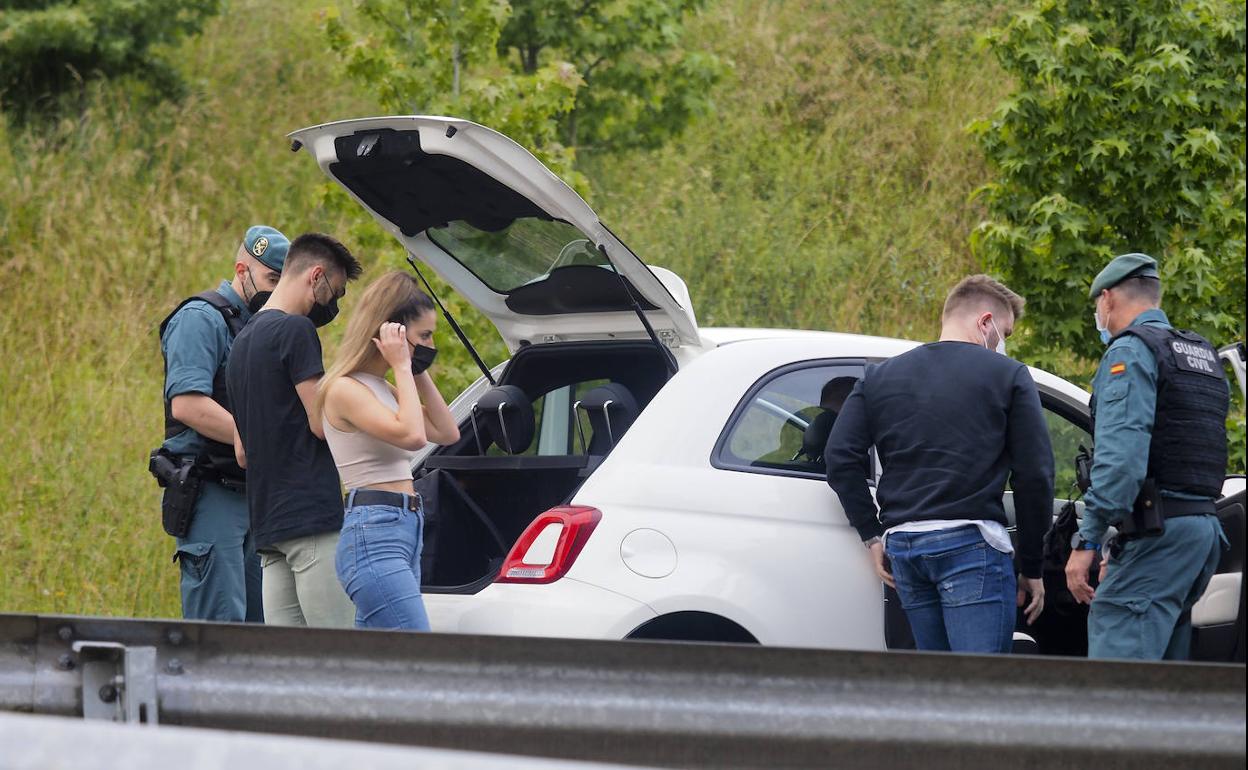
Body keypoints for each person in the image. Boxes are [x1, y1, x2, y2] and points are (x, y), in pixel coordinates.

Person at [825, 275, 1053, 653]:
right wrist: (1032, 566)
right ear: (985, 322)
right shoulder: (1008, 375)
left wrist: (872, 532)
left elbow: (840, 458)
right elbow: (1036, 476)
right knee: (977, 688)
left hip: (905, 549)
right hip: (972, 546)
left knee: (933, 686)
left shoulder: (879, 377)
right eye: (1005, 331)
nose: (1003, 342)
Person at [1064, 253, 1228, 660]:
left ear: (1107, 299)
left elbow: (1122, 464)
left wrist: (1087, 540)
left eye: (1096, 307)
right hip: (1200, 531)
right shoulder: (1201, 354)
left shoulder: (1130, 352)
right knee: (1164, 687)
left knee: (1118, 686)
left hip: (1160, 532)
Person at [226, 232, 363, 627]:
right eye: (334, 292)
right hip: (312, 520)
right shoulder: (296, 331)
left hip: (268, 527)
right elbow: (321, 424)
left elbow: (242, 452)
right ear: (315, 276)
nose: (332, 304)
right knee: (338, 658)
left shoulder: (241, 343)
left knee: (292, 666)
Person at [155, 225, 287, 622]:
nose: (275, 290)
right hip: (211, 492)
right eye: (270, 279)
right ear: (241, 269)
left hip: (252, 496)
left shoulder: (260, 327)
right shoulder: (201, 318)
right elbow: (188, 405)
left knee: (259, 631)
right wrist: (253, 440)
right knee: (219, 630)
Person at [317, 272, 460, 630]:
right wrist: (401, 364)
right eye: (423, 336)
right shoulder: (344, 390)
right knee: (414, 654)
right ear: (391, 332)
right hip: (374, 533)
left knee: (380, 669)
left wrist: (416, 369)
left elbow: (446, 431)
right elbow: (412, 435)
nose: (429, 344)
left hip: (405, 530)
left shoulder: (384, 388)